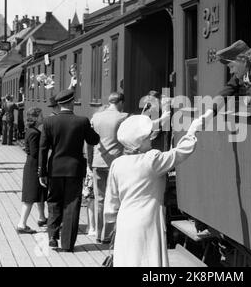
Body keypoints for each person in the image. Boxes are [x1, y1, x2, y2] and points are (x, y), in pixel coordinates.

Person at [104, 115, 202, 267]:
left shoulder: (117, 164)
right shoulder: (152, 160)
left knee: (128, 261)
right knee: (149, 261)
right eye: (147, 136)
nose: (150, 138)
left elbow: (111, 203)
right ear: (139, 140)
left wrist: (112, 222)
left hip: (125, 222)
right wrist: (192, 131)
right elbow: (180, 153)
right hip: (148, 221)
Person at [39, 89, 100, 252]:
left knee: (54, 202)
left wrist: (41, 172)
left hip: (55, 169)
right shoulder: (82, 121)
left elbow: (43, 149)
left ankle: (52, 237)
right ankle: (67, 244)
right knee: (72, 205)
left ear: (58, 104)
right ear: (72, 102)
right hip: (74, 169)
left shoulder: (48, 122)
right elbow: (94, 139)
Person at [87, 92, 128, 244]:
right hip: (115, 164)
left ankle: (99, 234)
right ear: (120, 102)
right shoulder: (123, 117)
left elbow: (89, 142)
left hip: (98, 162)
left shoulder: (96, 117)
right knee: (116, 199)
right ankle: (110, 235)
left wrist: (89, 162)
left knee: (100, 200)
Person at [199, 40, 251, 124]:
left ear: (244, 61)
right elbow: (225, 92)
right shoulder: (240, 76)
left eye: (231, 66)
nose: (231, 72)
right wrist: (208, 114)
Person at [17, 107, 48, 234]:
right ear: (35, 118)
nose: (43, 117)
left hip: (31, 165)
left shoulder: (31, 130)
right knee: (30, 197)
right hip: (33, 166)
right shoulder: (34, 133)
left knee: (39, 192)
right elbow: (35, 152)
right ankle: (21, 224)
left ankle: (41, 217)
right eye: (41, 115)